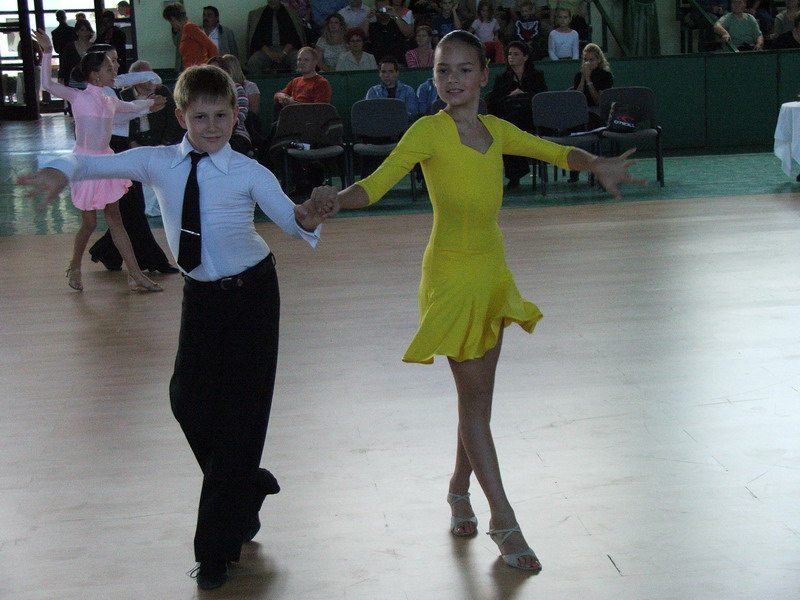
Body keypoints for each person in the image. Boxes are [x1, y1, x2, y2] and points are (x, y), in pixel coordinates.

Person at [315, 29, 643, 573]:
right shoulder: (428, 131)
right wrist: (335, 201)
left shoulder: (497, 130)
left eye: (464, 70)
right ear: (434, 77)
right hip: (449, 279)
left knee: (477, 405)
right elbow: (375, 184)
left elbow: (555, 150)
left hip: (491, 275)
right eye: (443, 70)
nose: (453, 80)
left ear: (483, 77)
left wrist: (595, 163)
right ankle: (503, 520)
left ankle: (457, 490)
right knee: (475, 404)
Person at [18, 63, 334, 591]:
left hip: (253, 297)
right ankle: (245, 485)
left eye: (221, 116)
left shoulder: (249, 171)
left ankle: (215, 552)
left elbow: (291, 220)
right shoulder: (159, 161)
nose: (212, 126)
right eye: (200, 116)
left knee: (240, 419)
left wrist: (312, 212)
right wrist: (58, 170)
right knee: (187, 400)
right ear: (183, 116)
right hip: (202, 298)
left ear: (235, 116)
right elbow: (91, 161)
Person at [32, 29, 164, 293]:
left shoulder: (109, 99)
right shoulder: (78, 97)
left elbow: (131, 108)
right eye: (109, 67)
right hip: (84, 165)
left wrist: (149, 104)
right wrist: (47, 53)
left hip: (107, 163)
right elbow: (47, 85)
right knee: (89, 224)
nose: (115, 70)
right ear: (95, 75)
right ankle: (74, 265)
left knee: (116, 220)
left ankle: (136, 274)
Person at [89, 59, 182, 274]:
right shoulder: (101, 92)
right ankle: (153, 260)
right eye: (109, 64)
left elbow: (148, 82)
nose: (115, 67)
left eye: (115, 62)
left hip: (128, 149)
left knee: (129, 209)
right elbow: (120, 117)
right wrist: (147, 107)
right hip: (116, 150)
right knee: (132, 207)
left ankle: (107, 251)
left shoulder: (114, 86)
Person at [485, 40, 547, 189]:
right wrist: (509, 96)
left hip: (531, 120)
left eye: (516, 54)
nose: (511, 57)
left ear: (525, 57)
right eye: (509, 54)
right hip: (509, 117)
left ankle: (516, 173)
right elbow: (493, 101)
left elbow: (543, 99)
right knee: (507, 128)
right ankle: (516, 173)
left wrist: (524, 94)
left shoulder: (536, 76)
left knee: (510, 126)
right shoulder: (502, 78)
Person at [568, 42, 612, 182]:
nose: (588, 63)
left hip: (597, 113)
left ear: (598, 60)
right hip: (581, 112)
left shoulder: (605, 76)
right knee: (573, 126)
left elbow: (598, 100)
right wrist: (583, 78)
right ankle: (575, 167)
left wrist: (589, 81)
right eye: (585, 60)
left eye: (591, 60)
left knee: (588, 124)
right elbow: (577, 98)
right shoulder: (578, 76)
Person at [246, 0, 306, 75]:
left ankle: (297, 82)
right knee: (253, 62)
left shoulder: (292, 14)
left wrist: (284, 53)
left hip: (288, 50)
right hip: (265, 51)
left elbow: (294, 37)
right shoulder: (257, 15)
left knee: (298, 60)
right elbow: (257, 39)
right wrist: (270, 53)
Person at [164, 2, 219, 69]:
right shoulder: (184, 31)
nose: (171, 25)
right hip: (193, 70)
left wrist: (213, 68)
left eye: (170, 22)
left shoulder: (190, 28)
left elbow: (211, 47)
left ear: (173, 19)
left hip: (199, 70)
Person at [368, 0, 411, 65]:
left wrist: (395, 15)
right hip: (378, 64)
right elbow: (363, 35)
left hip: (398, 62)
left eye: (386, 9)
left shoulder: (397, 23)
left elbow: (407, 33)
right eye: (380, 9)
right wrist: (368, 17)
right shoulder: (373, 26)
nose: (383, 12)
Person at [57, 18, 93, 86]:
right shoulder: (69, 47)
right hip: (72, 83)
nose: (85, 32)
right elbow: (64, 65)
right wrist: (61, 78)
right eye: (82, 30)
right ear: (77, 32)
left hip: (91, 83)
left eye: (87, 30)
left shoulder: (94, 47)